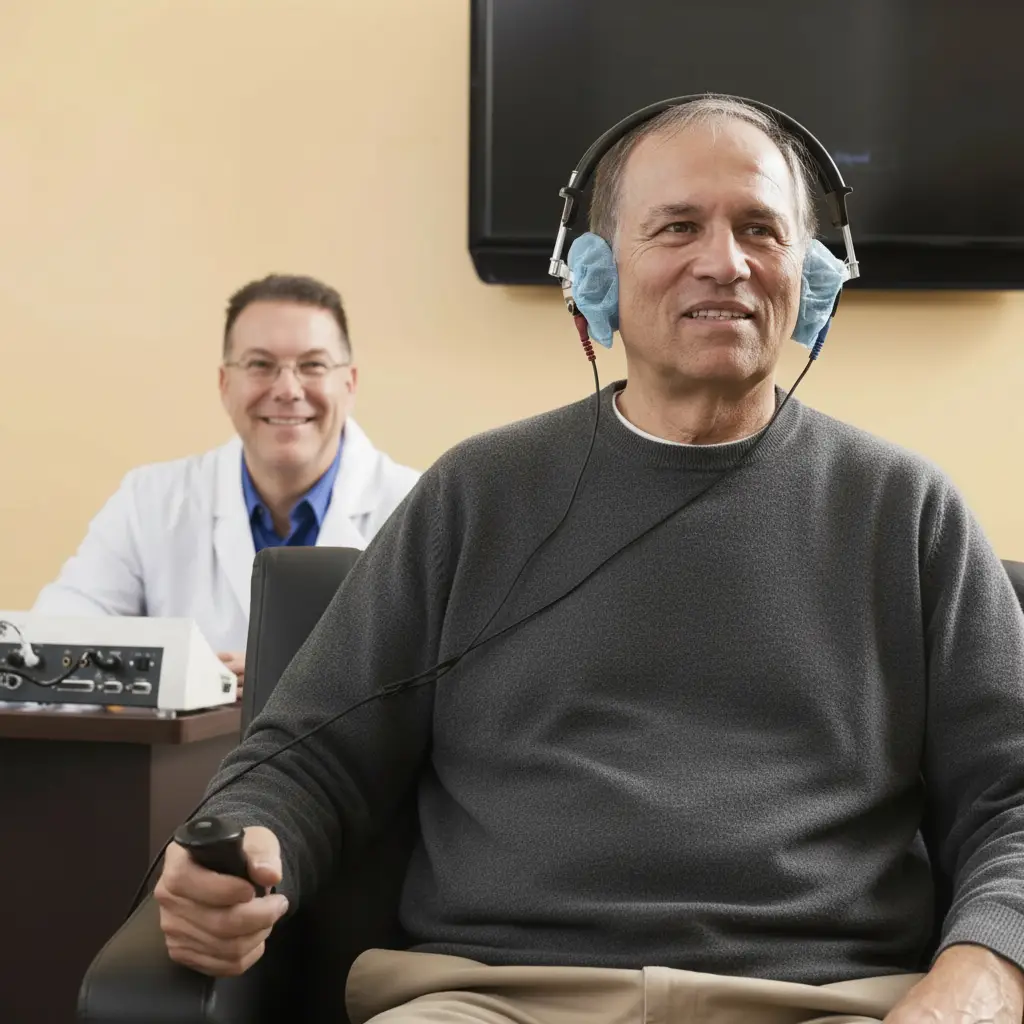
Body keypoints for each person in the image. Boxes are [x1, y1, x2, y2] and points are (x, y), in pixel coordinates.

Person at [154, 97, 1024, 1024]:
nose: (725, 262)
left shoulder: (908, 511)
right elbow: (306, 759)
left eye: (760, 230)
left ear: (810, 275)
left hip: (822, 1001)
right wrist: (246, 849)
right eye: (678, 227)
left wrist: (989, 970)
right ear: (596, 274)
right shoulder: (475, 495)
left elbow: (1012, 797)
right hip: (497, 999)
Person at [33, 274, 420, 685]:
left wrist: (283, 675)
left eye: (313, 365)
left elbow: (444, 681)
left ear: (350, 383)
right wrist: (181, 673)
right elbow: (48, 645)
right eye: (260, 365)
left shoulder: (418, 508)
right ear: (224, 384)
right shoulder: (148, 502)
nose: (288, 389)